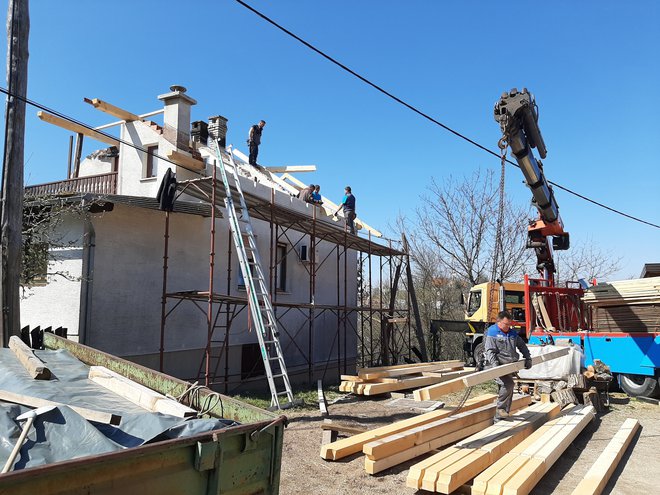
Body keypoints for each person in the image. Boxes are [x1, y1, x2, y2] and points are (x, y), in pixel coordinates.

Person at [484, 310, 532, 420]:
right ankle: (500, 411)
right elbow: (490, 351)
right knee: (508, 384)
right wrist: (496, 366)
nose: (508, 326)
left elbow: (522, 345)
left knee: (509, 390)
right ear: (499, 322)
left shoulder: (512, 333)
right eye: (506, 324)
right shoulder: (492, 333)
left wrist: (527, 357)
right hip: (496, 365)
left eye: (510, 324)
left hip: (509, 366)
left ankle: (503, 416)